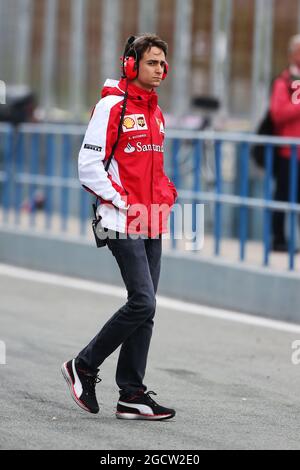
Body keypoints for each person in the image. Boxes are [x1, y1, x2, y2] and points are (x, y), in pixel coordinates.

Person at [61, 34, 177, 421]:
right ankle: (83, 365)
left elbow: (152, 170)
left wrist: (167, 194)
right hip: (118, 220)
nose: (160, 70)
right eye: (152, 63)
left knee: (147, 309)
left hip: (151, 221)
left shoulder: (158, 115)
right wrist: (124, 202)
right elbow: (88, 167)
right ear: (131, 65)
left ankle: (131, 393)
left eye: (163, 63)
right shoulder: (111, 106)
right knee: (142, 300)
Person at [270, 34, 300, 252]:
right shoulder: (283, 82)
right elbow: (278, 113)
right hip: (288, 153)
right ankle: (278, 240)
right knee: (283, 197)